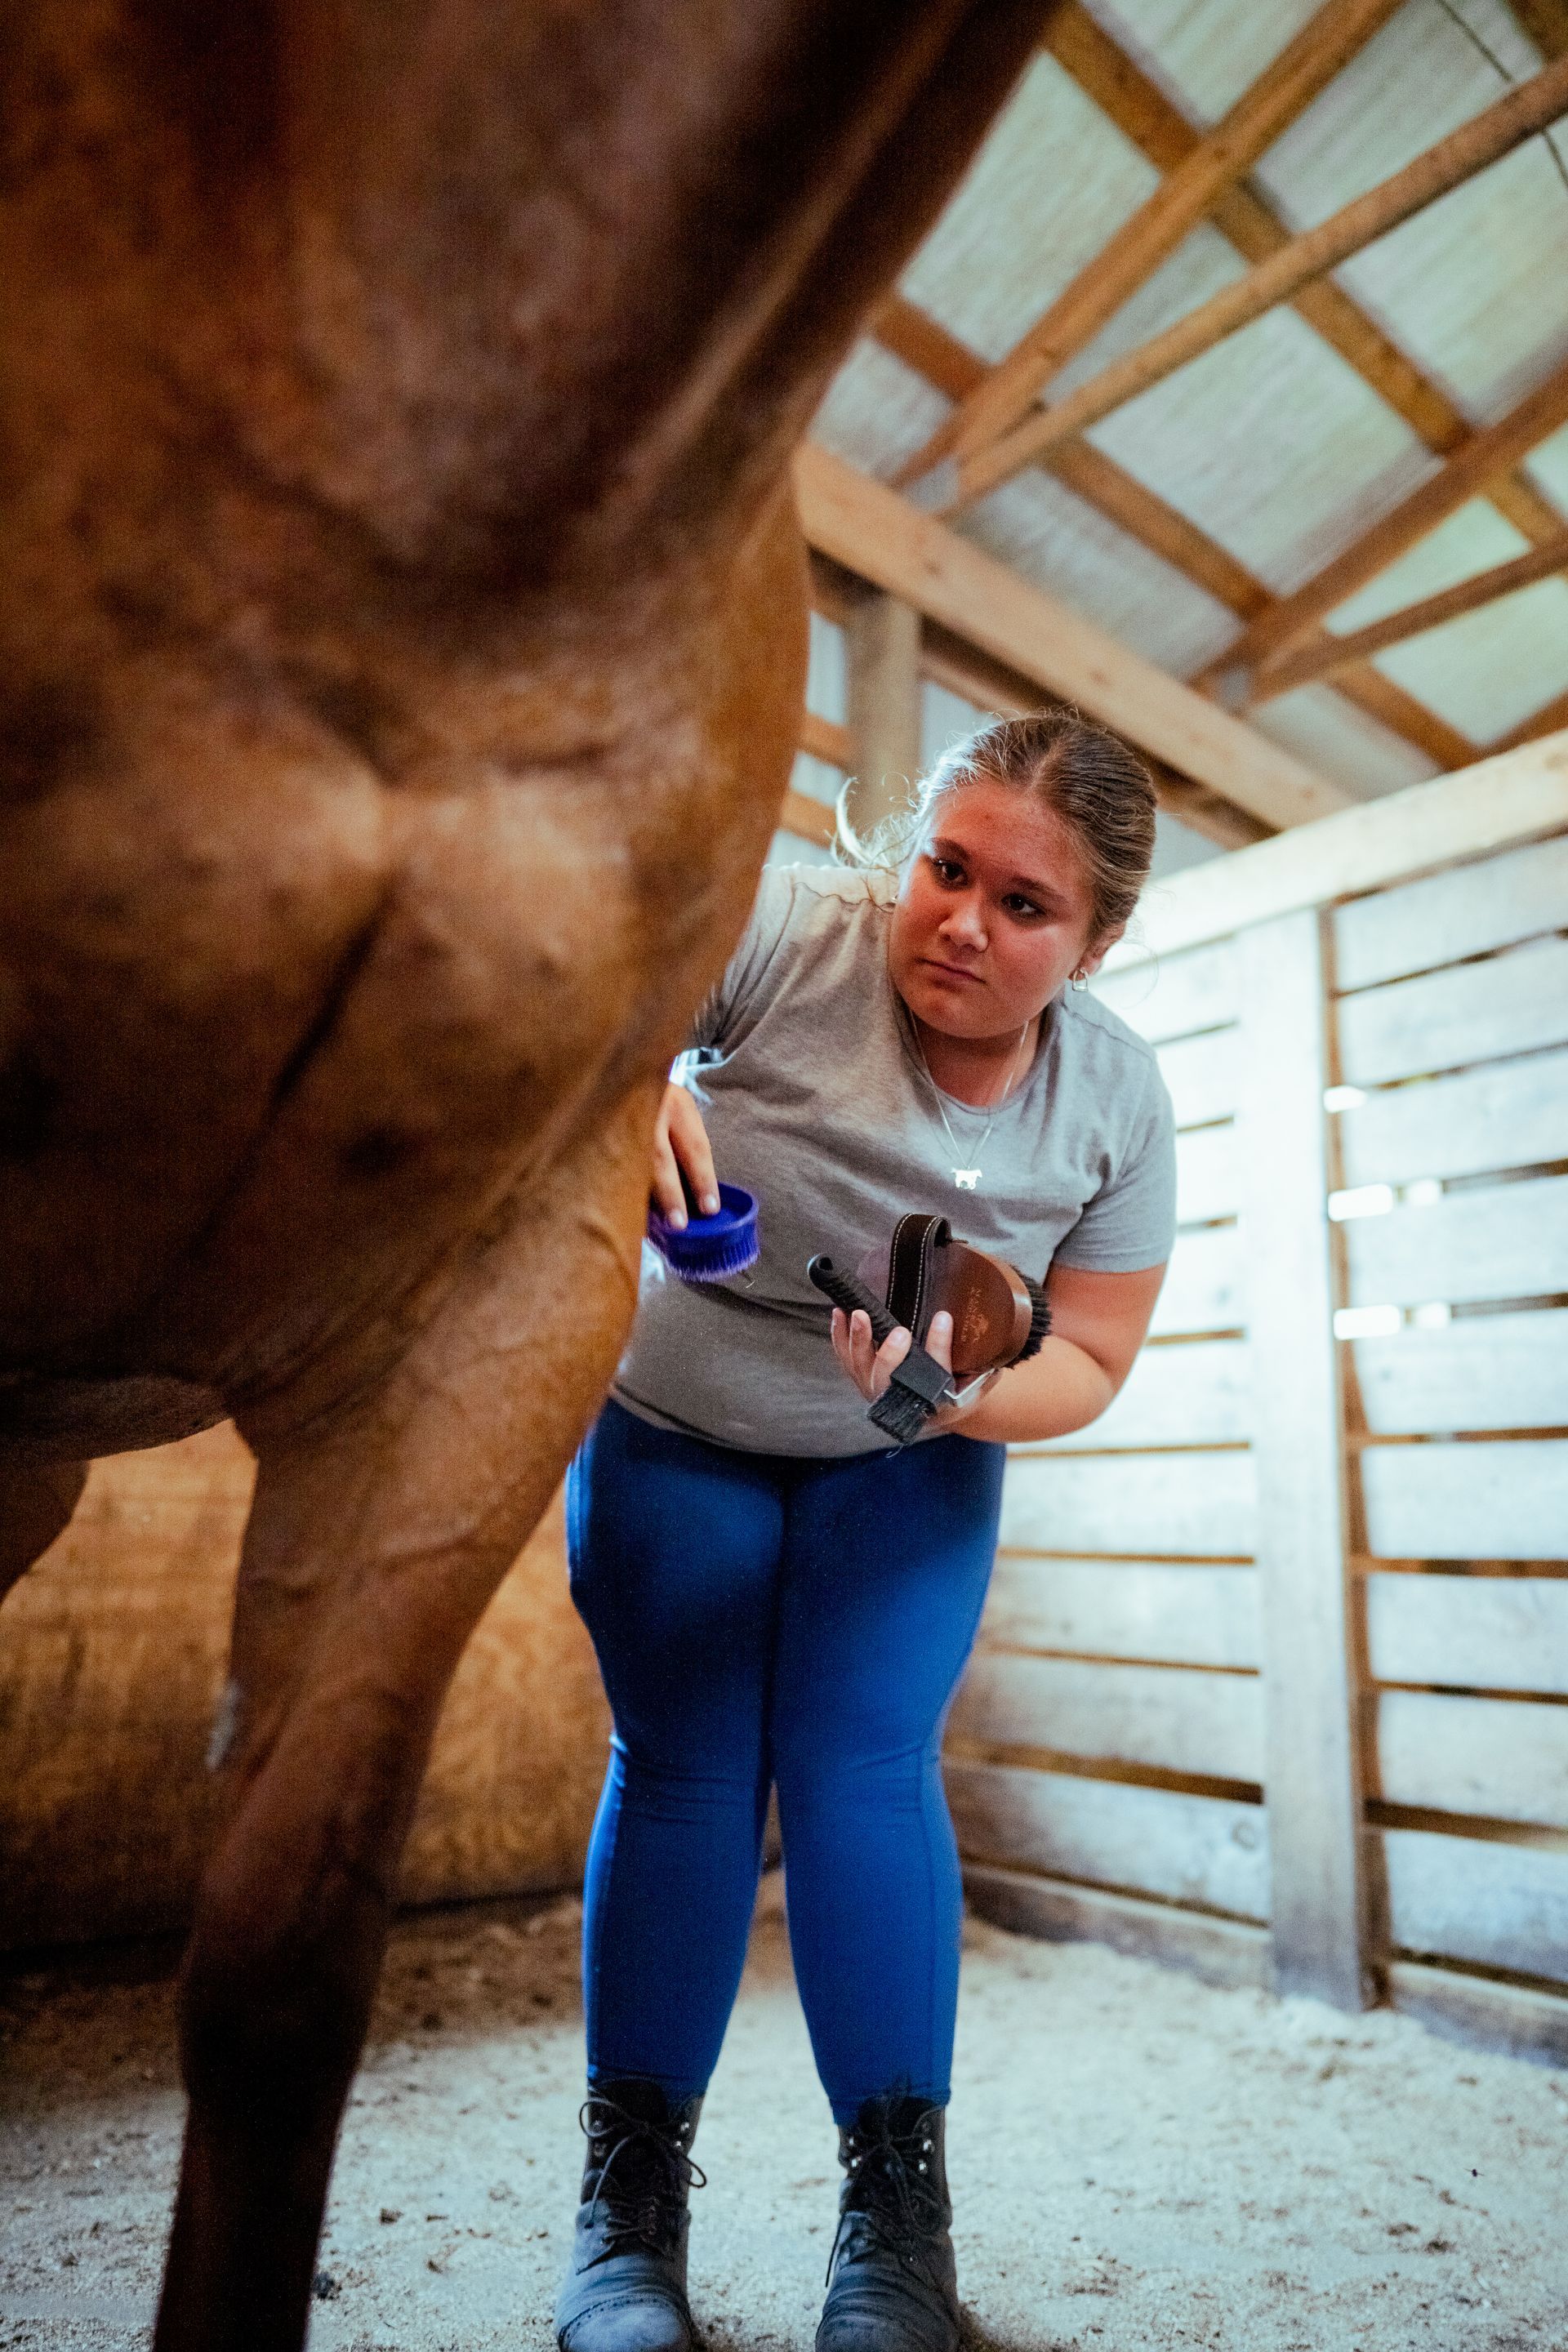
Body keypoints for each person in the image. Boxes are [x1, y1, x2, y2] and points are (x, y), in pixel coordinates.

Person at [554, 711, 1175, 2352]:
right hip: (674, 1426)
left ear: (1095, 942)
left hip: (907, 1456)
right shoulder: (778, 931)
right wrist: (627, 1091)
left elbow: (1095, 1357)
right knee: (682, 1767)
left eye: (1026, 906)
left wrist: (955, 1404)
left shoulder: (1114, 1101)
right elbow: (587, 1014)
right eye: (945, 867)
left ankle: (896, 2236)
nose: (963, 920)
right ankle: (626, 2230)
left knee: (859, 1774)